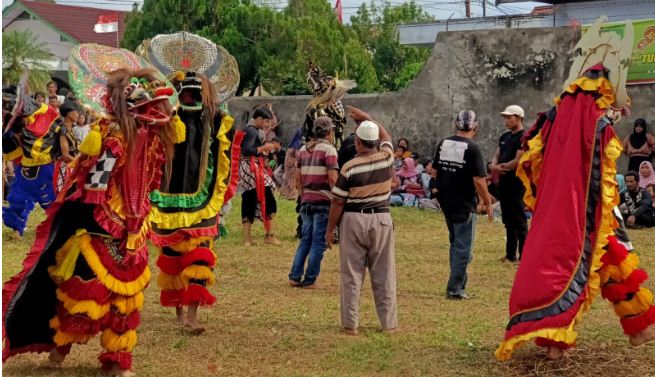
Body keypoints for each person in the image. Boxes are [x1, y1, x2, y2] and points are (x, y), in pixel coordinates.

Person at [2, 46, 178, 376]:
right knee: (86, 297)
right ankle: (60, 346)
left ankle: (117, 361)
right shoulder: (109, 137)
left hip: (136, 226)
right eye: (138, 99)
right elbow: (92, 186)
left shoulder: (153, 138)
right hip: (103, 226)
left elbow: (155, 174)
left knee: (127, 300)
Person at [496, 24, 655, 360]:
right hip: (589, 208)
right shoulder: (594, 123)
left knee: (614, 261)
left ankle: (635, 329)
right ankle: (562, 342)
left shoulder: (559, 118)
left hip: (567, 204)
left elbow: (533, 156)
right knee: (580, 267)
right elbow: (604, 168)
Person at [138, 32, 239, 335]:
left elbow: (225, 152)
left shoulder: (216, 120)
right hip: (167, 197)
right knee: (171, 257)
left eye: (197, 93)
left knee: (200, 257)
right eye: (185, 93)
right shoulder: (165, 119)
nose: (190, 98)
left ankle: (193, 313)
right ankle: (179, 310)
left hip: (203, 199)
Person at [326, 106, 398, 335]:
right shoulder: (387, 158)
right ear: (375, 142)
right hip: (382, 219)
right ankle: (389, 325)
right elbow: (386, 135)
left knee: (351, 275)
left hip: (354, 220)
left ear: (357, 143)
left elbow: (337, 202)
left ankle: (351, 325)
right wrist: (367, 117)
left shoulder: (349, 167)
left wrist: (330, 230)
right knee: (384, 274)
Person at [433, 110, 493, 300]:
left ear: (456, 124)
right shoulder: (473, 148)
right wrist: (488, 203)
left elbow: (435, 172)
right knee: (463, 251)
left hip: (447, 202)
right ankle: (454, 289)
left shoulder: (444, 143)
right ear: (475, 126)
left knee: (456, 245)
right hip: (464, 204)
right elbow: (479, 180)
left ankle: (460, 283)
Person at [288, 116, 339, 289]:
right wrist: (337, 196)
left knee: (305, 240)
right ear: (329, 132)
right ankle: (310, 279)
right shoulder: (329, 150)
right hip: (323, 201)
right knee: (318, 242)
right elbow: (332, 177)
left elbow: (297, 178)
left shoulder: (303, 149)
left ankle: (295, 276)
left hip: (306, 200)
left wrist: (303, 194)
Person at [2, 95, 61, 235]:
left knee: (51, 200)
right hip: (25, 170)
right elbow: (14, 151)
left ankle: (57, 227)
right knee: (18, 199)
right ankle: (17, 228)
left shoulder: (41, 121)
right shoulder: (10, 130)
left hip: (45, 169)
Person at [239, 107, 281, 246]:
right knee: (269, 198)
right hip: (252, 168)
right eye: (266, 121)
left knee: (248, 200)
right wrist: (264, 148)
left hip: (247, 169)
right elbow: (247, 150)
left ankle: (247, 239)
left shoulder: (249, 129)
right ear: (258, 119)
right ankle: (269, 235)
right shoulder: (252, 130)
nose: (268, 124)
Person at [491, 105, 528, 263]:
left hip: (517, 182)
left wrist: (500, 167)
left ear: (519, 118)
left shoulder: (524, 137)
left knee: (519, 219)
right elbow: (497, 154)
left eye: (509, 117)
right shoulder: (505, 137)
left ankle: (524, 255)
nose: (506, 120)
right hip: (504, 182)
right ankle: (510, 254)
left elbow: (518, 160)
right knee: (508, 219)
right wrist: (494, 166)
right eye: (505, 117)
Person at [53, 101, 80, 194]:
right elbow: (65, 155)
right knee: (64, 194)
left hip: (72, 164)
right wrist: (79, 164)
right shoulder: (63, 130)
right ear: (68, 113)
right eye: (75, 112)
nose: (78, 114)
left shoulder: (70, 129)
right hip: (65, 166)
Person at [279, 127, 302, 200]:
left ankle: (283, 193)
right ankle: (292, 195)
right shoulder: (297, 142)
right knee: (292, 178)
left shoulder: (292, 143)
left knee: (287, 177)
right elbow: (297, 155)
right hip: (292, 163)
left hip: (287, 163)